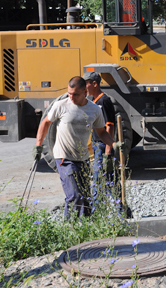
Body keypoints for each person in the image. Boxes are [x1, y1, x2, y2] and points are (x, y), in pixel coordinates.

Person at [33, 76, 121, 219]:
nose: (71, 97)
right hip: (64, 157)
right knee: (74, 195)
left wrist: (113, 144)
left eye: (75, 94)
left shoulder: (94, 110)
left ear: (85, 92)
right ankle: (70, 228)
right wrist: (38, 146)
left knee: (85, 199)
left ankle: (85, 229)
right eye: (69, 93)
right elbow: (45, 123)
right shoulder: (61, 105)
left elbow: (102, 132)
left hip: (83, 159)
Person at [83, 72, 117, 209]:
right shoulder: (95, 102)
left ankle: (96, 211)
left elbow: (110, 127)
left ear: (94, 84)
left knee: (99, 179)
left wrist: (108, 153)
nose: (84, 87)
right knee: (105, 180)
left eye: (86, 84)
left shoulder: (104, 101)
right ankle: (120, 210)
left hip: (103, 146)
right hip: (98, 145)